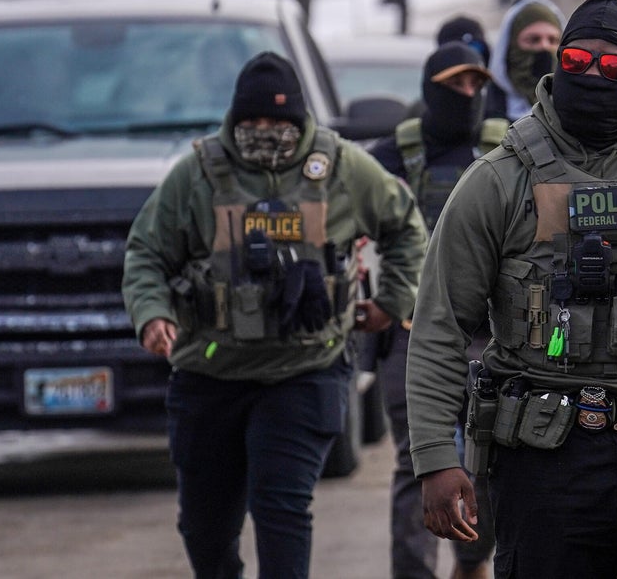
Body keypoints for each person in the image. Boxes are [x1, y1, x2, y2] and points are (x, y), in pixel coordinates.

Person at [406, 0, 617, 578]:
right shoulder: (499, 179)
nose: (594, 74)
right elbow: (440, 326)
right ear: (558, 62)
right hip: (543, 454)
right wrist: (433, 458)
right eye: (578, 60)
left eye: (615, 65)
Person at [121, 51, 428, 579]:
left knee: (281, 508)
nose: (265, 133)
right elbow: (146, 252)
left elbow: (406, 227)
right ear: (235, 120)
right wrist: (152, 315)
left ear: (299, 121)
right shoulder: (197, 173)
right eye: (253, 122)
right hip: (210, 373)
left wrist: (392, 303)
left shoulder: (340, 168)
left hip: (306, 370)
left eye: (278, 123)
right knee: (205, 528)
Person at [366, 42, 508, 579]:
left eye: (475, 85)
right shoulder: (391, 156)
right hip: (410, 333)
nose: (467, 95)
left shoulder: (506, 150)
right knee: (416, 462)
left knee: (491, 458)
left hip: (490, 334)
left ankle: (472, 561)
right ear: (429, 89)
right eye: (454, 85)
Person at [484, 0, 564, 121]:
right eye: (533, 39)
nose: (544, 47)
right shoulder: (483, 108)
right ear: (510, 46)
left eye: (553, 40)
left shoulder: (575, 109)